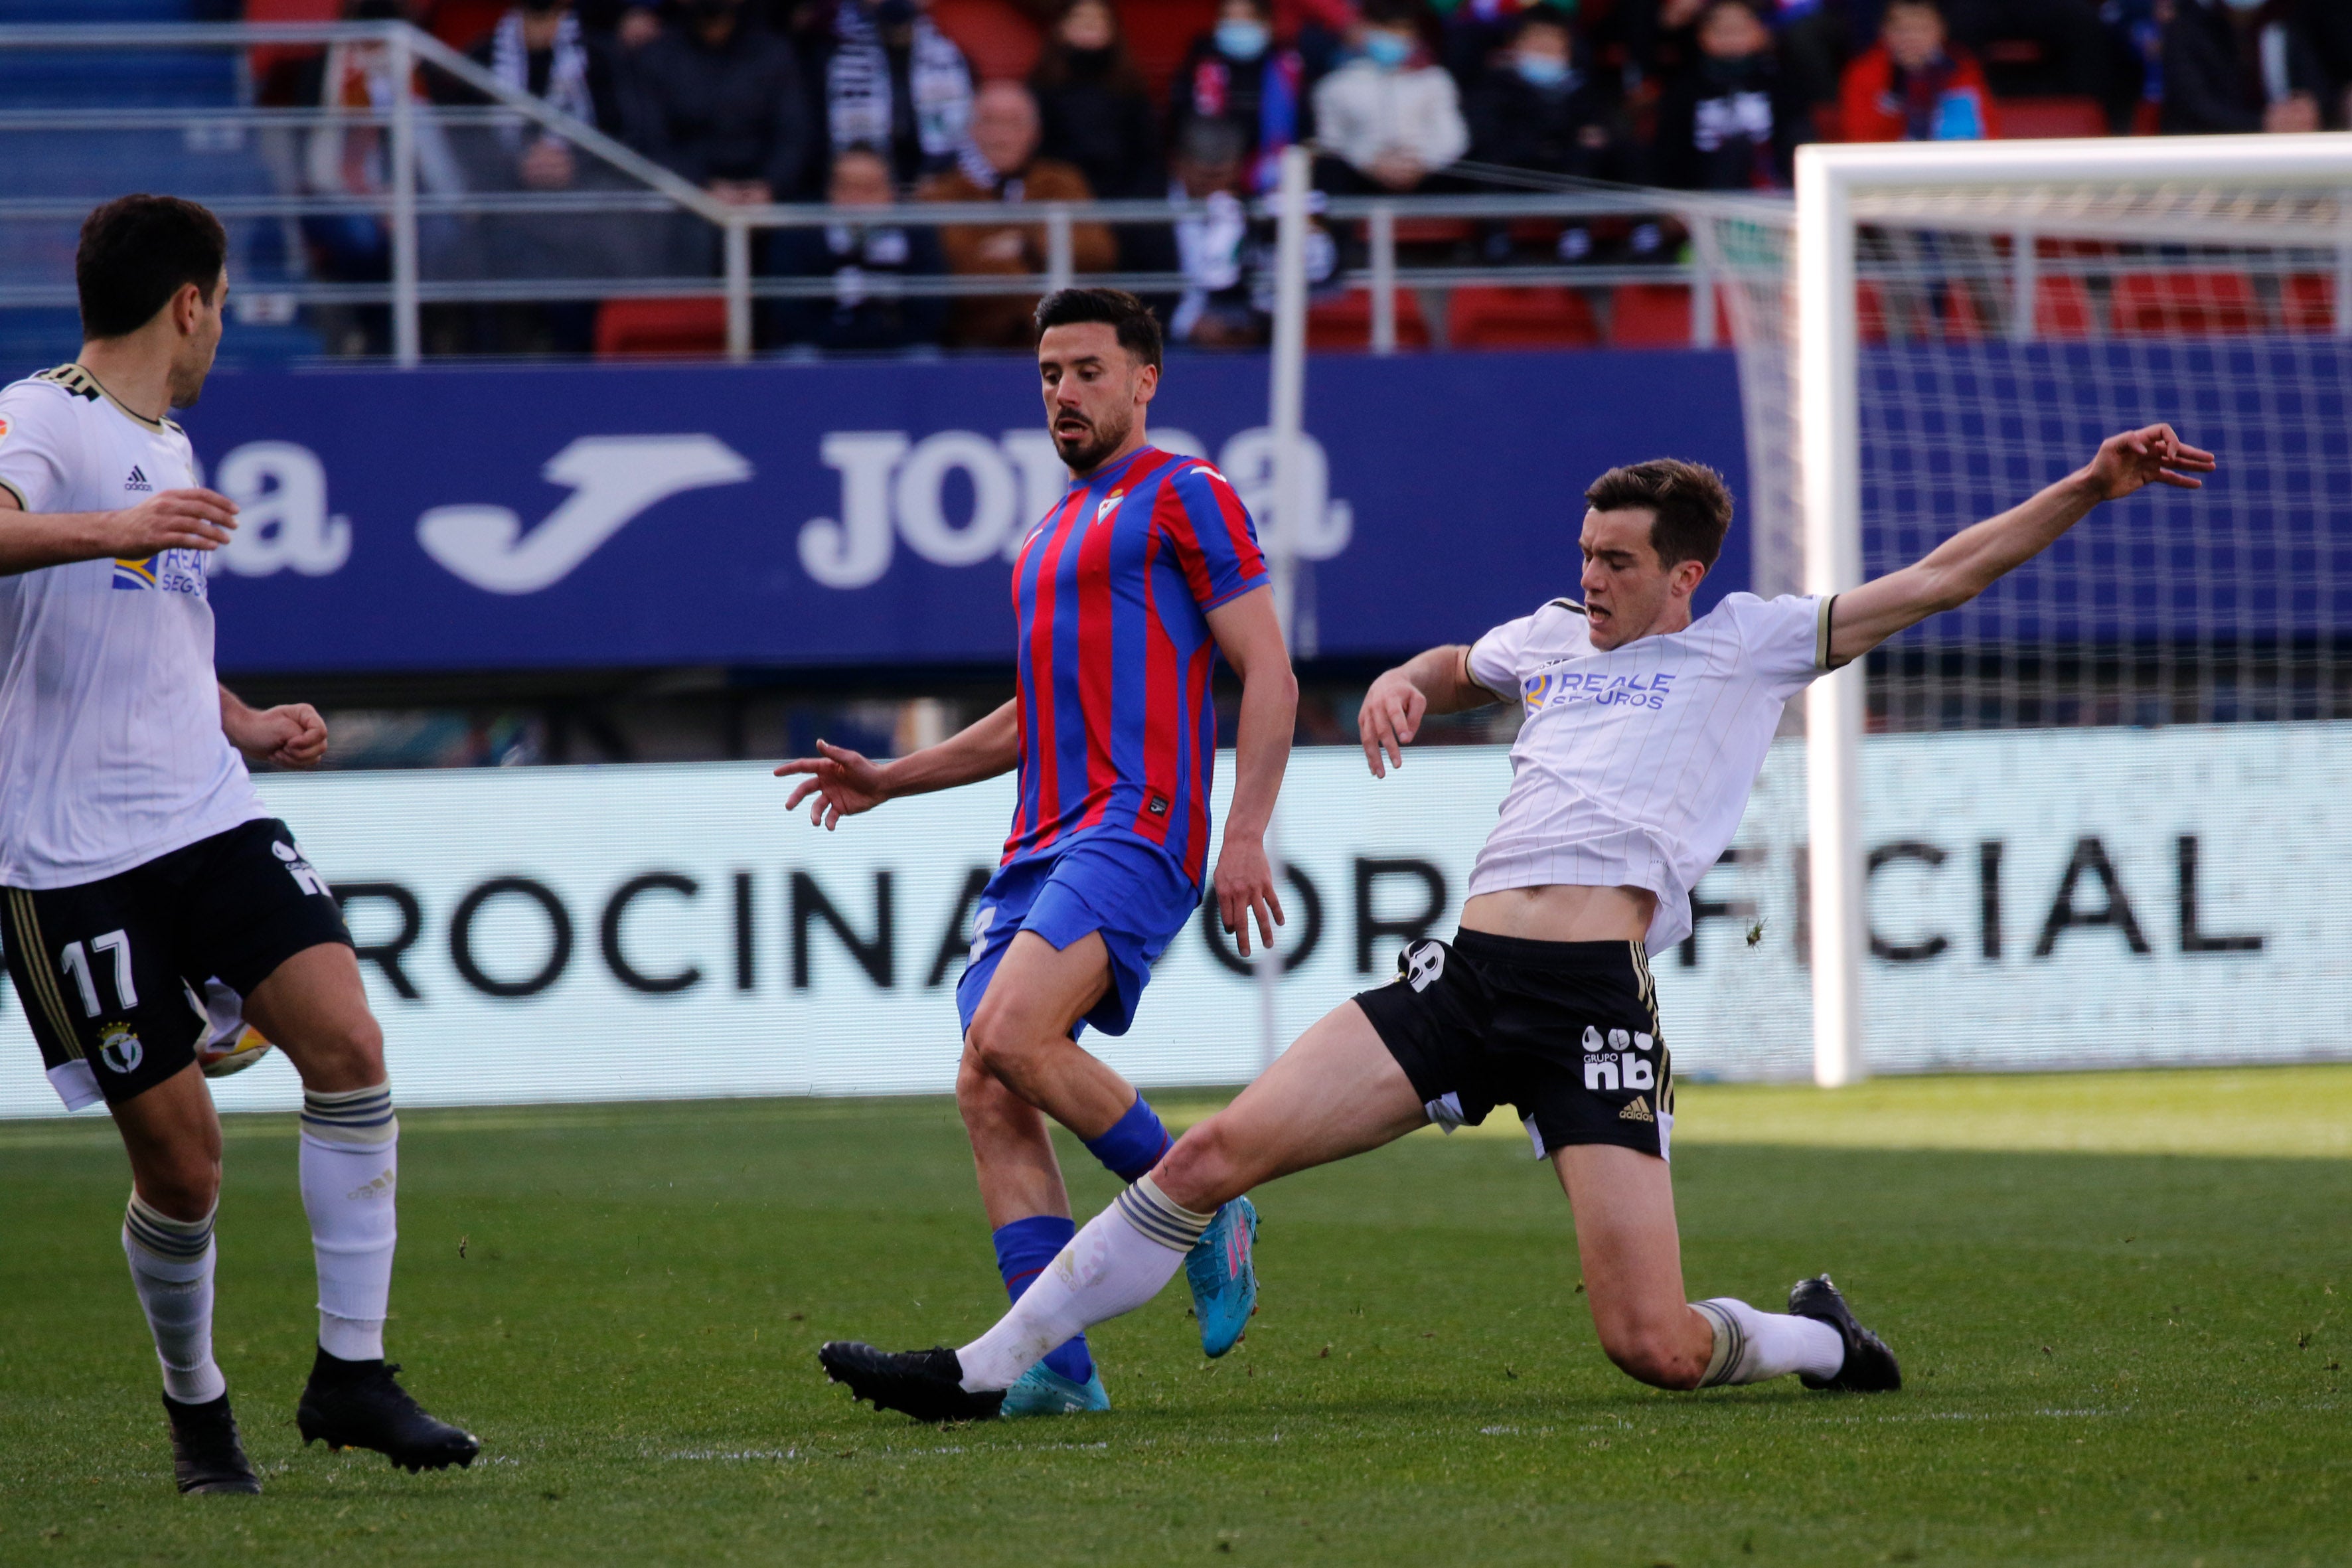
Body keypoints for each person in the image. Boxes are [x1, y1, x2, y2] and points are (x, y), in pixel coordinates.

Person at [815, 420, 2218, 1423]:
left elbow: (1942, 575)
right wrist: (1407, 684)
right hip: (1461, 971)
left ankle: (1817, 1339)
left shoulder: (1750, 644)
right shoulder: (1550, 635)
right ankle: (990, 1369)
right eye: (1585, 552)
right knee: (1212, 1149)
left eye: (1616, 560)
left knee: (1652, 1345)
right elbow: (1454, 658)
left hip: (1591, 1008)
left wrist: (2086, 487)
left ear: (1684, 576)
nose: (1590, 577)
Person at [0, 196, 479, 1492]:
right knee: (185, 1163)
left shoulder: (170, 438)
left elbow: (145, 629)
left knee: (348, 1042)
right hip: (66, 858)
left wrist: (247, 718)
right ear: (192, 302)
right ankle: (198, 1402)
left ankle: (354, 1373)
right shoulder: (42, 415)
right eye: (222, 307)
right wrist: (115, 527)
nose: (221, 329)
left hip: (208, 812)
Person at [777, 287, 1298, 1417]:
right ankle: (1058, 1369)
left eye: (1087, 370)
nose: (1063, 391)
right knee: (985, 1075)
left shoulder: (1187, 493)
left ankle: (1201, 1206)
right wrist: (889, 778)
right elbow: (1031, 717)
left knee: (1011, 1030)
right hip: (1039, 839)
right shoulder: (1049, 532)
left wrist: (1246, 828)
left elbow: (1267, 667)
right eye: (1049, 373)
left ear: (1144, 379)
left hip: (1137, 820)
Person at [916, 82, 1115, 349]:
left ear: (1036, 133)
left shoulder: (1063, 182)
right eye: (990, 123)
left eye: (1014, 124)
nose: (1001, 136)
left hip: (1066, 341)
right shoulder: (941, 194)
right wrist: (1045, 266)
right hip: (977, 346)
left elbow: (1099, 252)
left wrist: (1026, 245)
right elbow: (962, 274)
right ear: (971, 131)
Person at [622, 0, 809, 206]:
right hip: (683, 202)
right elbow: (651, 140)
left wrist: (770, 186)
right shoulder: (656, 57)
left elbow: (794, 133)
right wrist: (700, 186)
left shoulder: (774, 53)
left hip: (766, 204)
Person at [767, 145, 948, 350]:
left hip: (899, 346)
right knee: (797, 358)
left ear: (891, 192)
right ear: (830, 191)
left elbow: (930, 313)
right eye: (847, 187)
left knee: (924, 357)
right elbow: (791, 315)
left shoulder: (917, 233)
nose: (857, 200)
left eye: (869, 189)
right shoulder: (801, 235)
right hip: (821, 347)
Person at [803, 0, 973, 191]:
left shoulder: (955, 55)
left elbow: (968, 143)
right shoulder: (831, 57)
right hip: (864, 195)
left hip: (938, 192)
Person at [1311, 0, 1469, 195]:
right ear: (1364, 28)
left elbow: (1452, 138)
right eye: (1385, 29)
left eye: (1401, 31)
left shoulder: (1434, 80)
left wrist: (1421, 163)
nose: (1393, 37)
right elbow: (1331, 142)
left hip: (1426, 184)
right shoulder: (1335, 85)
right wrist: (1370, 162)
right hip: (1359, 186)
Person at [1652, 0, 1798, 192]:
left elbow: (1793, 140)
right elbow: (1671, 151)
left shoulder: (1779, 82)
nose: (1731, 40)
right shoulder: (1686, 87)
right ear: (1702, 35)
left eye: (1740, 30)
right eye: (1721, 31)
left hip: (1769, 191)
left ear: (1761, 33)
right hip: (1702, 191)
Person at [1166, 0, 1310, 193]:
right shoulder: (1199, 65)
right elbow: (1178, 126)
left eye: (1246, 17)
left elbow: (1306, 134)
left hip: (1276, 184)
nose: (1237, 25)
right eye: (1229, 18)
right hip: (1209, 181)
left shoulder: (1290, 69)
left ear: (1267, 24)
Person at [1030, 0, 1163, 201]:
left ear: (1113, 30)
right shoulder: (1042, 87)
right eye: (1079, 17)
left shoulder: (1130, 89)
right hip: (1062, 201)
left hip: (1124, 202)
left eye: (1099, 18)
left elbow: (1147, 156)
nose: (1089, 24)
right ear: (1061, 28)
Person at [2159, 0, 2327, 135]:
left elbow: (2316, 83)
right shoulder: (2187, 28)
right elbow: (2195, 105)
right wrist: (2262, 123)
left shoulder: (2288, 21)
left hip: (2282, 151)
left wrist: (2307, 108)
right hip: (2208, 155)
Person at [1839, 0, 1999, 143]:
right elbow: (1860, 141)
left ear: (1941, 29)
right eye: (1901, 29)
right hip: (1891, 170)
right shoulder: (1863, 72)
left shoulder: (1962, 68)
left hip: (1954, 167)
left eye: (1922, 28)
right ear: (1884, 31)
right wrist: (1896, 87)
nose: (1911, 38)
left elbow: (1988, 133)